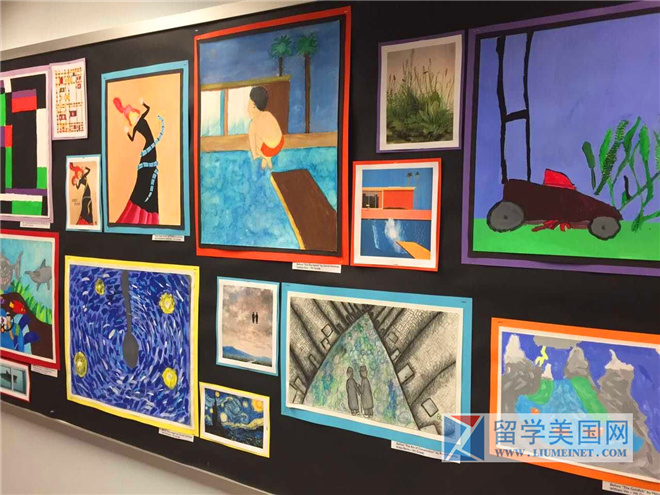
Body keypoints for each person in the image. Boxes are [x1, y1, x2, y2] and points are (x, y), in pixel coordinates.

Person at [112, 97, 164, 225]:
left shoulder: (142, 118)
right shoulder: (135, 128)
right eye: (130, 117)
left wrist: (143, 103)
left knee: (150, 173)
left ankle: (150, 212)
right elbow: (132, 138)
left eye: (133, 114)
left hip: (151, 149)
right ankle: (139, 210)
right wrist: (127, 132)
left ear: (136, 112)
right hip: (147, 150)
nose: (133, 116)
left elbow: (148, 109)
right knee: (146, 175)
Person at [247, 86, 284, 170]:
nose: (247, 110)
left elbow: (253, 144)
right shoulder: (268, 114)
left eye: (248, 106)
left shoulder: (254, 123)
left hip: (268, 150)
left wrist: (255, 155)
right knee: (263, 136)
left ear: (254, 106)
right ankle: (268, 157)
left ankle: (266, 157)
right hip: (280, 143)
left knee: (254, 135)